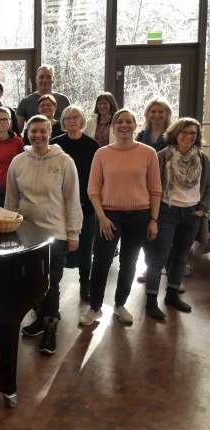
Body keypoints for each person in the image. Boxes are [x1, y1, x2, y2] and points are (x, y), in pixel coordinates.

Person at [79, 109, 161, 327]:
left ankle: (120, 304)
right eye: (120, 121)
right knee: (102, 262)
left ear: (135, 125)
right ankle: (95, 307)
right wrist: (102, 217)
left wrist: (153, 219)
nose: (124, 125)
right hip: (108, 216)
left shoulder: (148, 153)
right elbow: (93, 189)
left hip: (140, 216)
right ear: (113, 126)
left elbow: (155, 189)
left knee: (129, 262)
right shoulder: (102, 154)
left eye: (129, 121)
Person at [7, 115, 82, 355]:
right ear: (27, 133)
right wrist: (7, 230)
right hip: (25, 234)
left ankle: (50, 327)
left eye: (43, 131)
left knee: (51, 283)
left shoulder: (64, 161)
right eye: (33, 131)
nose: (38, 135)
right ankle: (40, 319)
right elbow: (11, 200)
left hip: (55, 234)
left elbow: (72, 199)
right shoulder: (18, 161)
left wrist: (73, 233)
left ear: (50, 132)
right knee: (31, 282)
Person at [143, 118, 210, 319]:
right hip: (166, 212)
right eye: (185, 132)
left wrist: (202, 209)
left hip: (192, 214)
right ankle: (151, 301)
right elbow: (151, 186)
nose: (189, 137)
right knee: (158, 258)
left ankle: (172, 295)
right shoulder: (162, 156)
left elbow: (208, 188)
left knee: (181, 257)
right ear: (175, 134)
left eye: (193, 133)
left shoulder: (203, 159)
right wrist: (154, 216)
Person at [51, 106, 100, 300]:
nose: (71, 121)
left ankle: (84, 284)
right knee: (57, 248)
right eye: (67, 118)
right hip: (58, 203)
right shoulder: (55, 144)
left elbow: (96, 176)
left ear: (82, 120)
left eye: (75, 117)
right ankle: (54, 285)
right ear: (63, 122)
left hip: (86, 203)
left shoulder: (92, 145)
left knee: (85, 246)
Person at [16, 65, 71, 130]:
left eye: (48, 77)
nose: (44, 80)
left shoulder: (64, 100)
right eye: (41, 77)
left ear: (53, 79)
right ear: (36, 79)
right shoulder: (25, 102)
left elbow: (71, 124)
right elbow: (18, 130)